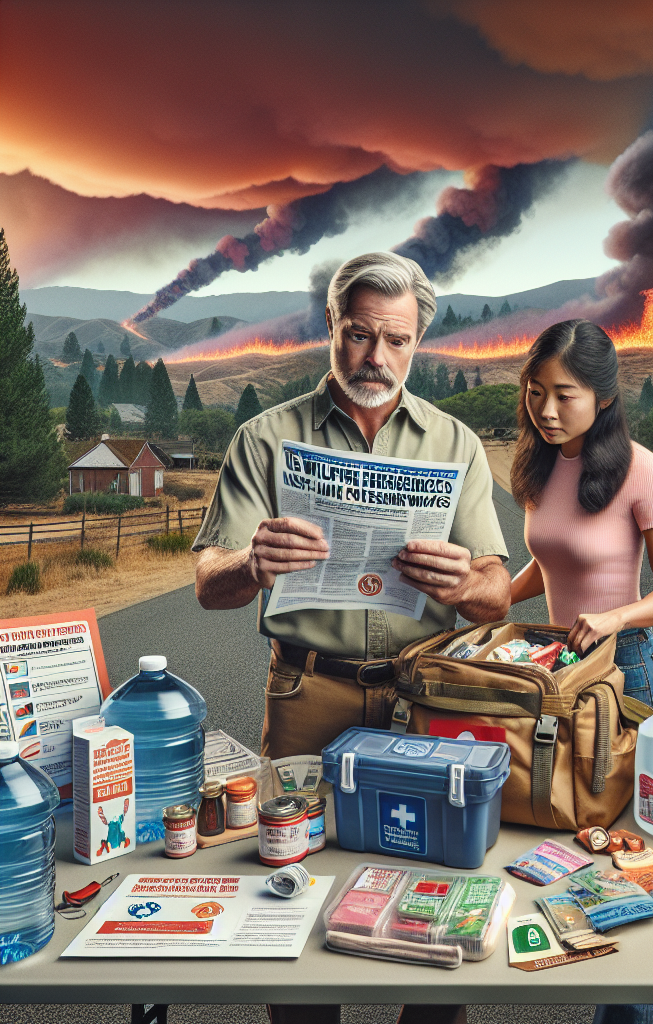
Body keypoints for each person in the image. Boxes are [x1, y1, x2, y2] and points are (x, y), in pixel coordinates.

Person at [193, 251, 510, 1024]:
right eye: (360, 334)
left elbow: (497, 593)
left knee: (436, 886)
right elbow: (207, 585)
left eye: (397, 341)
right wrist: (251, 562)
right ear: (331, 325)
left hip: (424, 698)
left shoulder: (456, 444)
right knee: (292, 892)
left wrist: (464, 582)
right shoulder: (265, 438)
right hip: (307, 692)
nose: (377, 357)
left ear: (418, 343)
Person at [510, 319, 653, 1024]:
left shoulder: (640, 469)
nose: (546, 411)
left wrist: (616, 617)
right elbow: (552, 561)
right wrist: (494, 589)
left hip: (626, 677)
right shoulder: (537, 463)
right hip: (553, 675)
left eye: (564, 395)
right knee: (560, 844)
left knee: (627, 865)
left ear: (604, 396)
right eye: (534, 393)